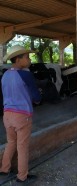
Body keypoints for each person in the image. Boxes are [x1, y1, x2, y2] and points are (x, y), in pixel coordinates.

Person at [0, 45, 41, 184]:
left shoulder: (5, 74)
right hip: (22, 116)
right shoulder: (26, 74)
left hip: (7, 115)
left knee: (11, 142)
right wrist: (36, 99)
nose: (29, 60)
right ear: (18, 59)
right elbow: (36, 96)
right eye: (27, 57)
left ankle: (4, 169)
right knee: (22, 146)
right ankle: (22, 177)